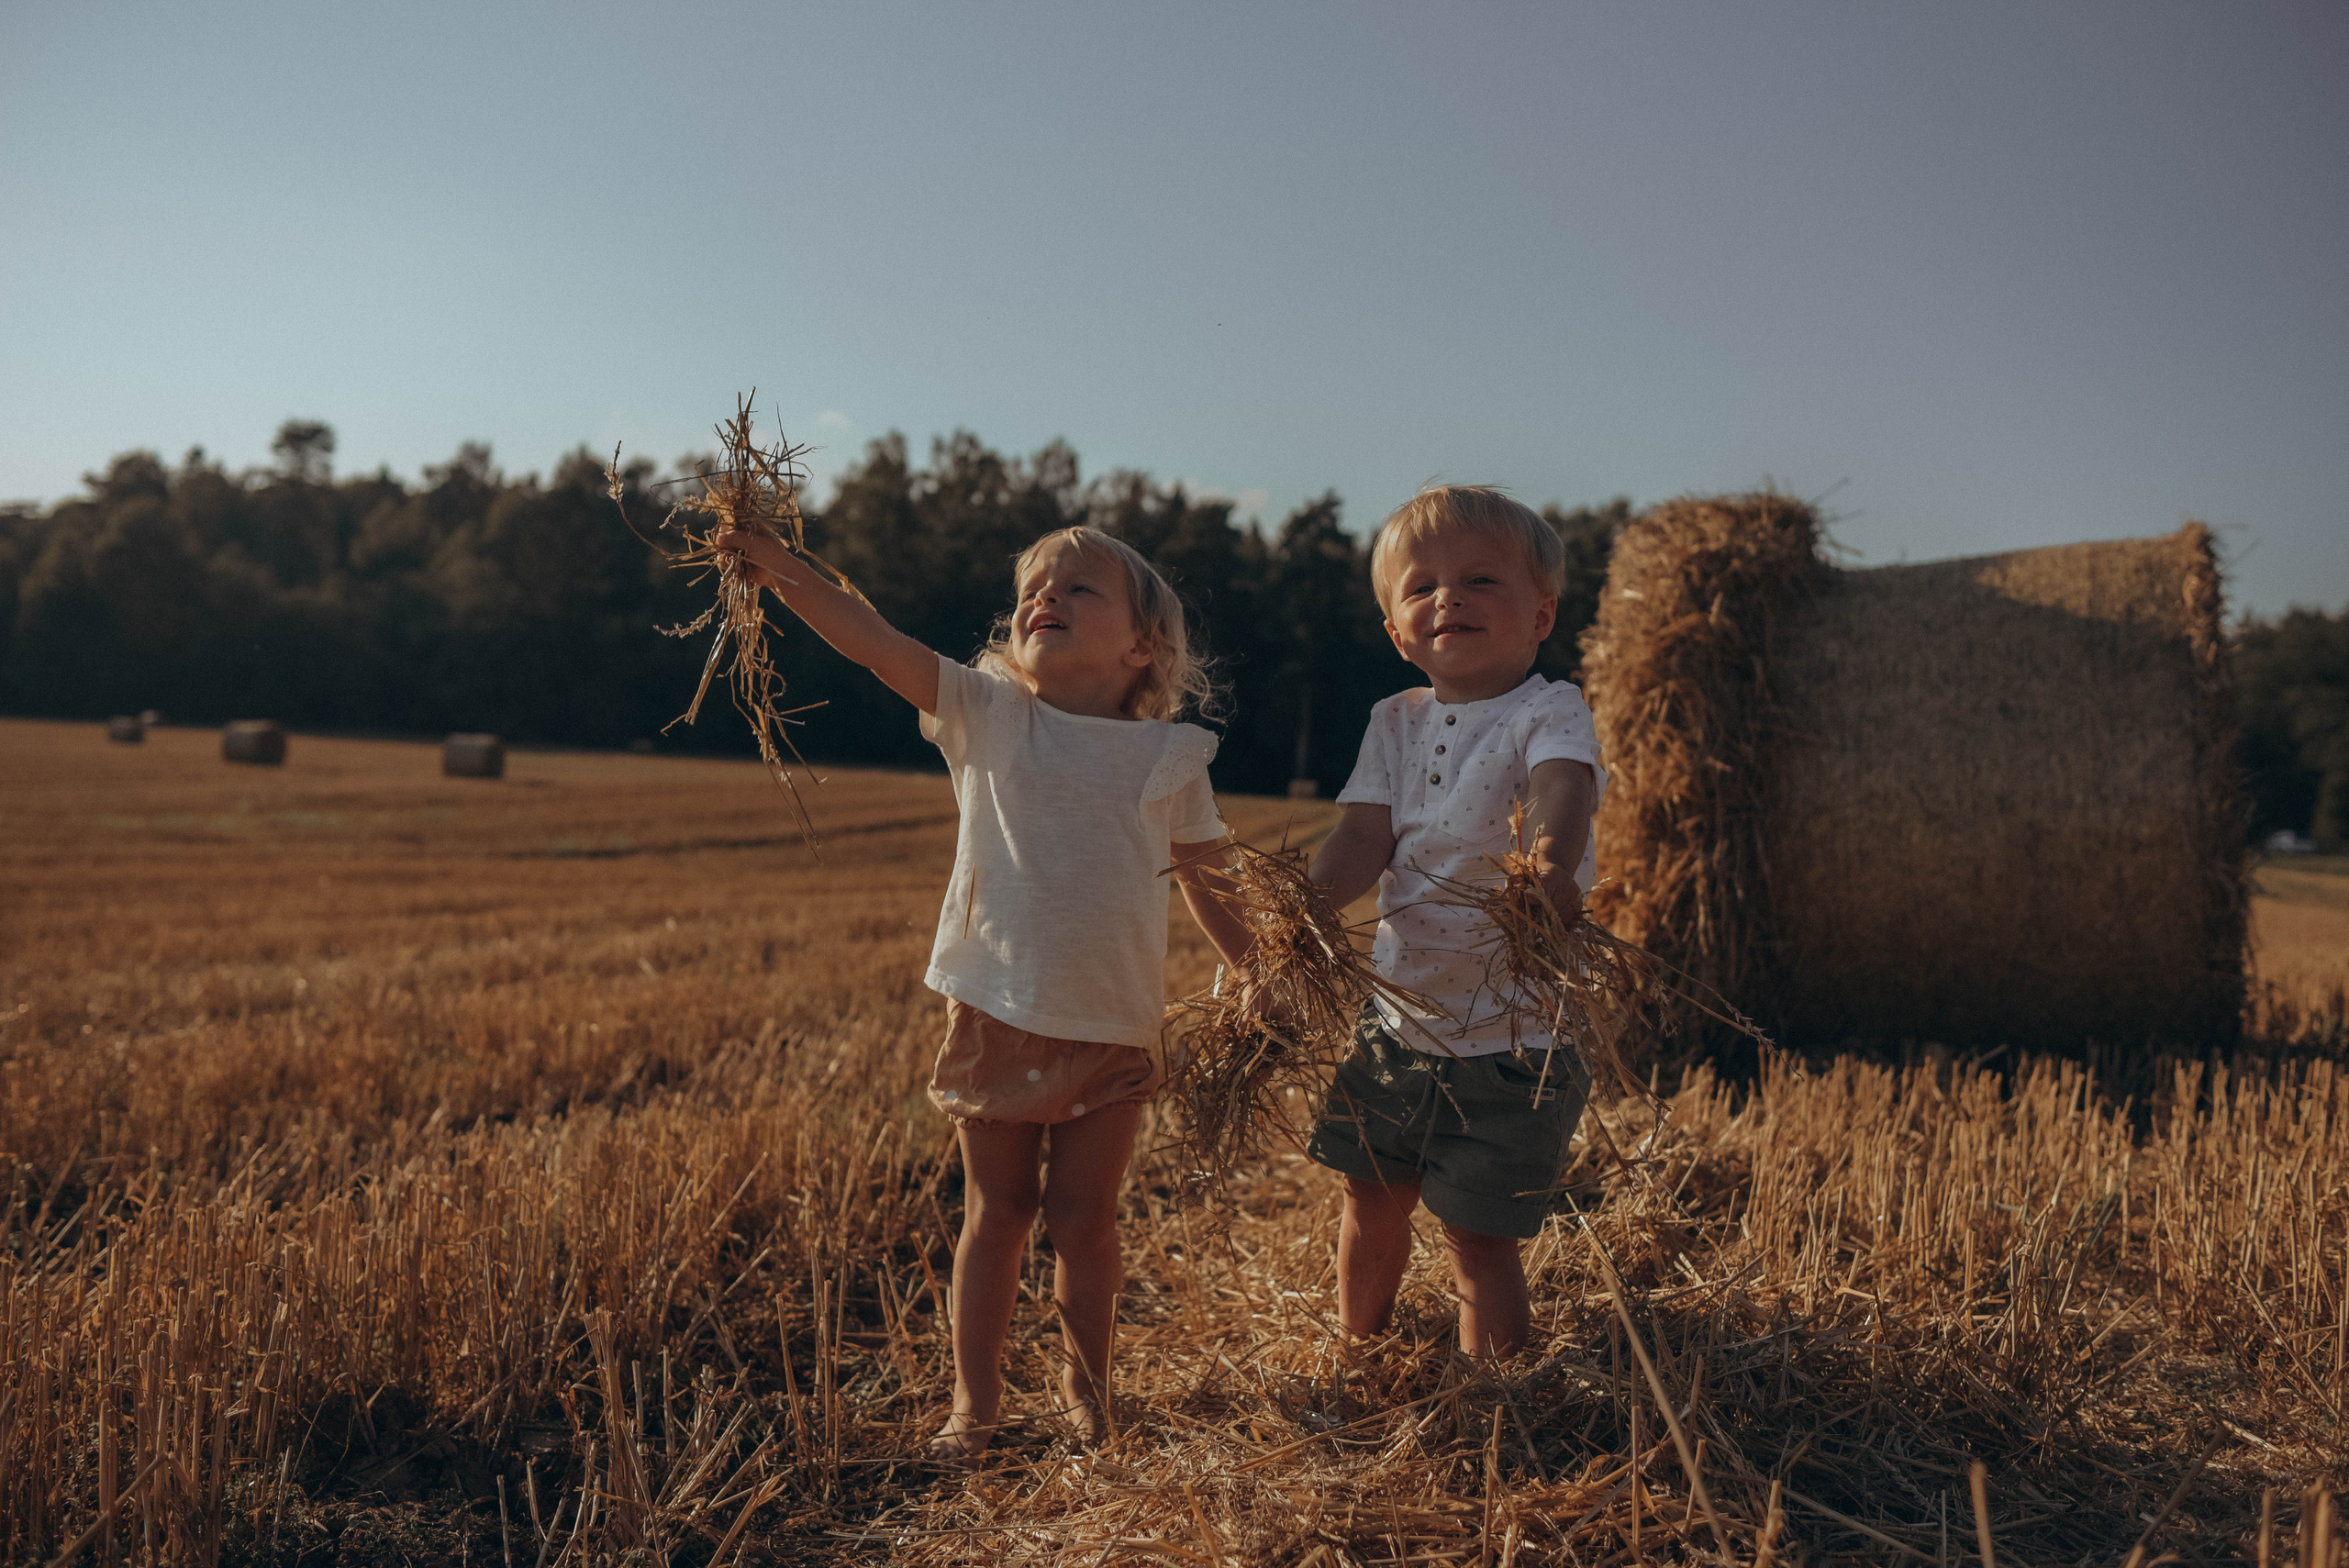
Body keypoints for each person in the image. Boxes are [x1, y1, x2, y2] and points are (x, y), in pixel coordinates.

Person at [715, 522, 1253, 1463]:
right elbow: (872, 639)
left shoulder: (1169, 755)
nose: (1044, 597)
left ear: (1142, 646)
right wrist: (780, 570)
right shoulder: (990, 712)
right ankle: (976, 1405)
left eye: (1078, 588)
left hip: (1114, 1025)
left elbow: (1208, 876)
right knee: (995, 1214)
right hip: (997, 1009)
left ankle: (1091, 1393)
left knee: (1087, 1220)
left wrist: (1258, 967)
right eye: (1032, 589)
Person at [1301, 485, 1606, 1359]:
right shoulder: (1391, 722)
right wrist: (1307, 917)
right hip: (1398, 1017)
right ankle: (1358, 1349)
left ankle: (1495, 1398)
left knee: (1480, 1238)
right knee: (1368, 1194)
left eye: (1480, 579)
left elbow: (1563, 785)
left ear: (1540, 613)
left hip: (1515, 1036)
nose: (1450, 598)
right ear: (1398, 630)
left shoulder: (1548, 708)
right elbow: (1362, 834)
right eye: (1422, 586)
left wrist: (1548, 863)